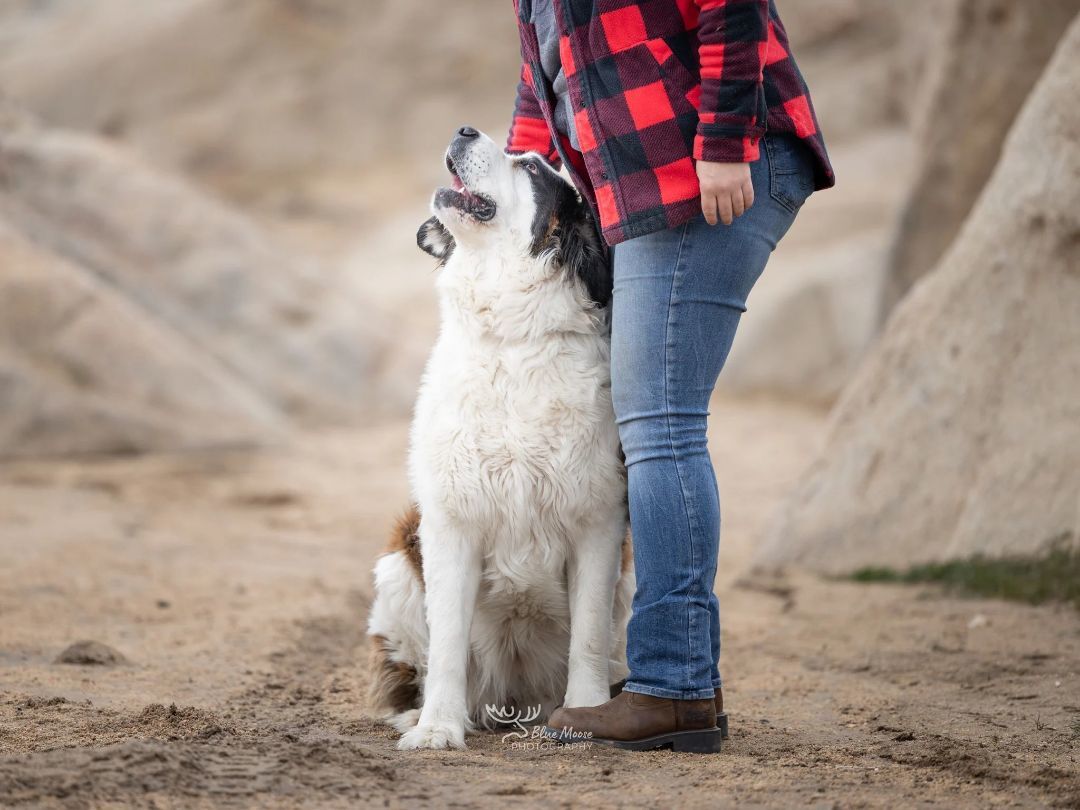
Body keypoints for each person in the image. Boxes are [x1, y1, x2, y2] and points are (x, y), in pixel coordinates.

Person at [508, 0, 835, 752]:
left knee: (660, 426)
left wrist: (723, 142)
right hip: (648, 186)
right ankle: (686, 678)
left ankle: (672, 687)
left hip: (707, 167)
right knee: (653, 424)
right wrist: (508, 188)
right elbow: (544, 87)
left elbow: (733, 8)